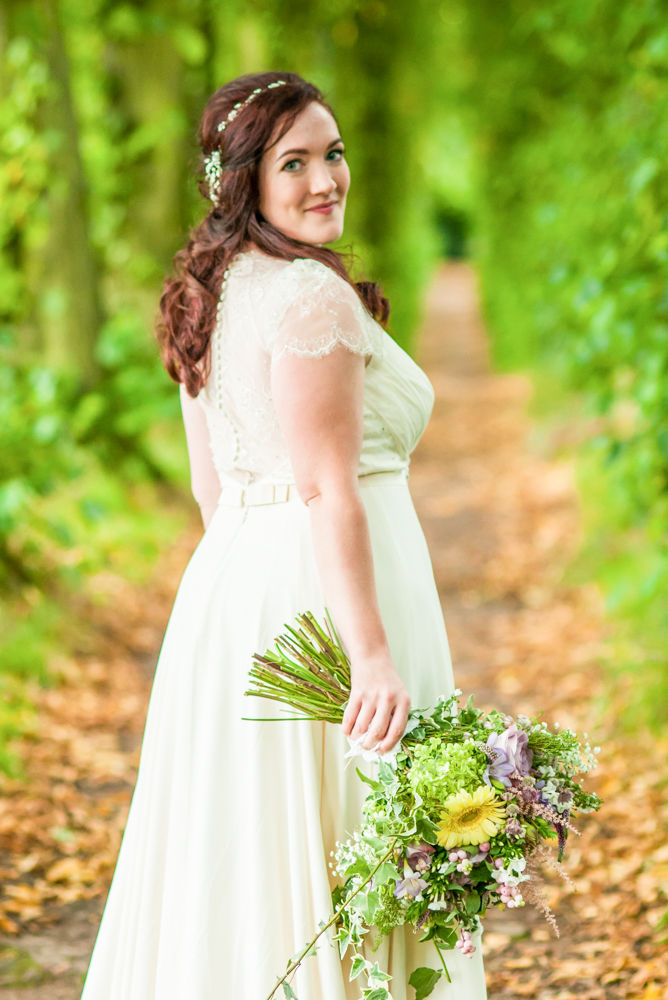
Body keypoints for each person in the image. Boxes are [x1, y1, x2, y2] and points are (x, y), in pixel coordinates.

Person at [80, 71, 487, 999]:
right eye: (293, 163)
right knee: (351, 842)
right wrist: (370, 656)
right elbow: (327, 488)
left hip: (233, 596)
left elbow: (212, 487)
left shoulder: (207, 290)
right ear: (244, 181)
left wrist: (253, 595)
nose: (325, 180)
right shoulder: (308, 298)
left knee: (248, 860)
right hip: (333, 600)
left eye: (332, 154)